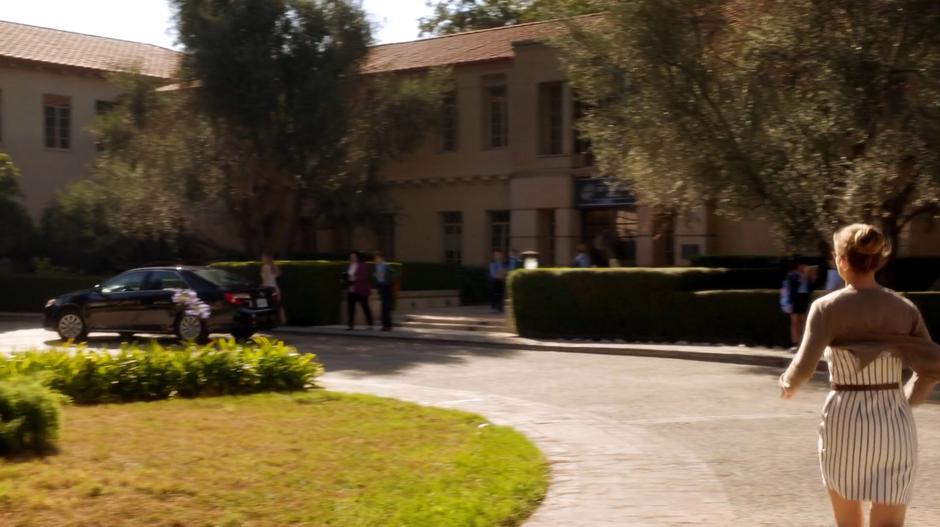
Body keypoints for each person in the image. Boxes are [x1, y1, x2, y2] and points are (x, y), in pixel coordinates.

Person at [780, 224, 936, 527]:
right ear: (878, 260)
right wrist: (907, 399)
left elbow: (804, 366)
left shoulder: (826, 308)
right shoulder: (904, 308)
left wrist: (787, 384)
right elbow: (929, 368)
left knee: (849, 523)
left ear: (841, 261)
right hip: (894, 422)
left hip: (844, 418)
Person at [782, 259, 813, 351]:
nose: (805, 267)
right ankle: (795, 342)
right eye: (803, 265)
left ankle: (804, 341)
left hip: (804, 298)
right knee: (795, 322)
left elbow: (810, 288)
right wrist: (803, 277)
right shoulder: (792, 275)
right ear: (799, 266)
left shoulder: (807, 276)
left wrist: (811, 278)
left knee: (805, 321)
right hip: (795, 299)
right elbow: (792, 288)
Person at [345, 251, 373, 330]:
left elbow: (364, 276)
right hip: (351, 290)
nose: (352, 258)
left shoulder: (362, 265)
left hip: (360, 290)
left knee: (365, 307)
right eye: (351, 256)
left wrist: (355, 278)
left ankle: (370, 324)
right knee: (350, 308)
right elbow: (346, 276)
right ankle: (350, 325)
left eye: (354, 256)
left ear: (357, 257)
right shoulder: (349, 266)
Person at [260, 253, 285, 323]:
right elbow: (278, 274)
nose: (262, 259)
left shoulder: (265, 267)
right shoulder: (275, 266)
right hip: (275, 287)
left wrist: (262, 286)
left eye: (263, 258)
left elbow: (265, 279)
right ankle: (283, 320)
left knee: (266, 305)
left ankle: (267, 320)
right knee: (277, 304)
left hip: (267, 287)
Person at [373, 251, 394, 331]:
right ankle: (385, 325)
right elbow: (379, 276)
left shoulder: (386, 265)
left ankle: (388, 325)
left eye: (376, 258)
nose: (375, 259)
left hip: (387, 287)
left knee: (386, 307)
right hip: (381, 287)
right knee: (383, 306)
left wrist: (388, 281)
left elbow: (393, 273)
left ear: (380, 258)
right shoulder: (376, 266)